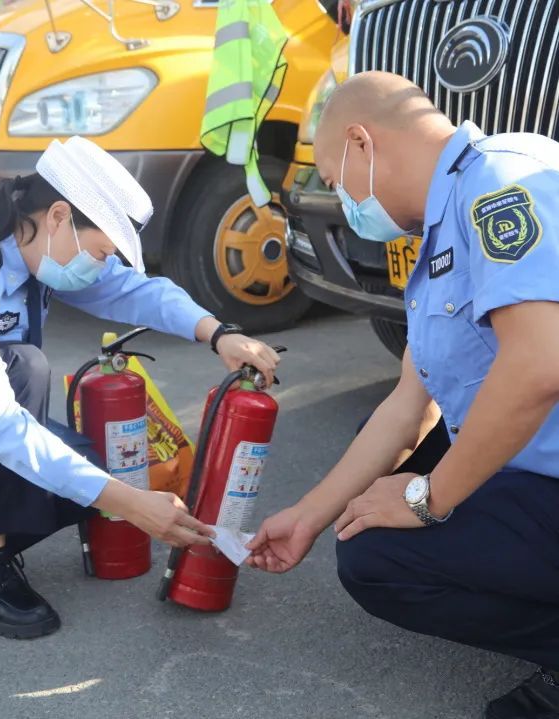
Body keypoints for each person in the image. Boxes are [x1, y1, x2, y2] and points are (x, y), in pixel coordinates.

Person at [0, 135, 281, 639]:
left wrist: (218, 333)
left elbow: (132, 290)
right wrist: (131, 503)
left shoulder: (29, 243)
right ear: (58, 216)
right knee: (24, 373)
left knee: (81, 482)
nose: (102, 265)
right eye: (101, 251)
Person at [247, 70, 559, 719]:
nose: (344, 200)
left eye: (334, 179)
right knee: (375, 492)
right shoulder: (443, 226)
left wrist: (427, 498)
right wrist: (308, 514)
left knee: (380, 555)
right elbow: (409, 403)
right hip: (537, 454)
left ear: (361, 142)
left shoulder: (502, 184)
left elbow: (538, 364)